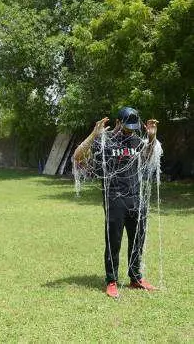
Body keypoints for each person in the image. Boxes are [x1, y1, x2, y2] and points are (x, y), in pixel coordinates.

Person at [73, 107, 160, 298]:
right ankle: (111, 280)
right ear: (118, 122)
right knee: (114, 241)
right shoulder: (104, 141)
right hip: (114, 198)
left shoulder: (136, 140)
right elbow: (77, 156)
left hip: (136, 197)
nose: (129, 130)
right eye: (126, 126)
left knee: (138, 238)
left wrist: (151, 138)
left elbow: (147, 159)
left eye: (133, 127)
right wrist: (93, 134)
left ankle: (136, 278)